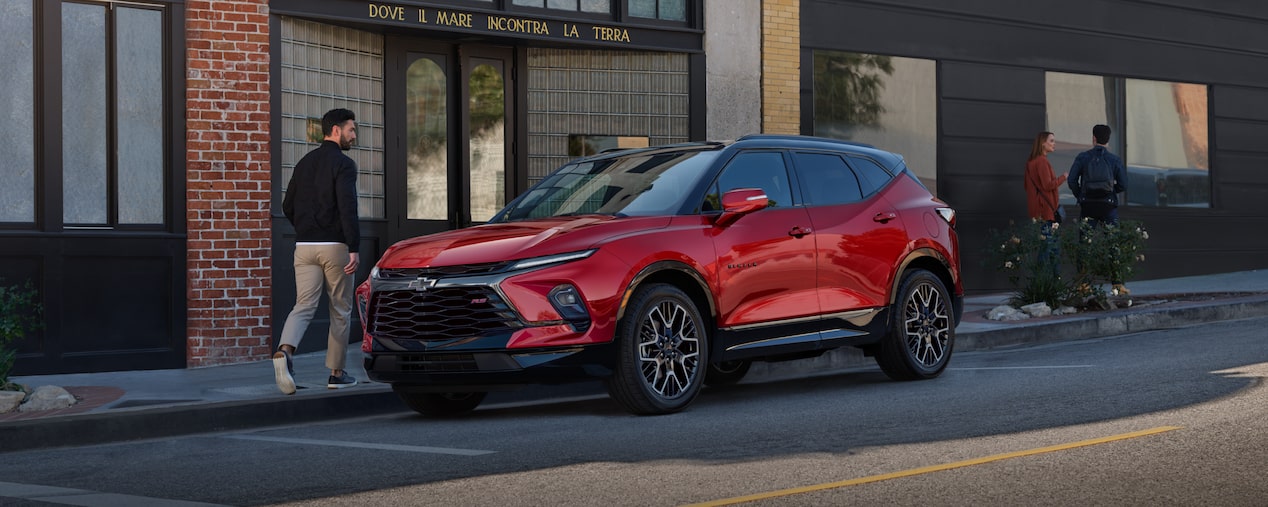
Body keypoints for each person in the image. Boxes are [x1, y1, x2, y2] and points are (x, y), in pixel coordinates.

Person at [274, 108, 361, 394]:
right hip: (334, 246)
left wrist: (305, 227)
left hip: (304, 246)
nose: (354, 135)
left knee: (303, 305)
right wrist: (354, 246)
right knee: (340, 308)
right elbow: (347, 206)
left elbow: (288, 205)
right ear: (335, 130)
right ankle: (336, 374)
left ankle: (285, 352)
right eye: (351, 129)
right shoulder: (344, 164)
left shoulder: (304, 162)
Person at [1067, 124, 1129, 295]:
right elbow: (1124, 184)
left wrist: (1082, 195)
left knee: (1085, 245)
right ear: (1108, 140)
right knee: (1113, 244)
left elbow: (1072, 180)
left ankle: (1083, 285)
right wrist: (1110, 192)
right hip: (1108, 206)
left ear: (1093, 138)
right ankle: (1117, 285)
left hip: (1088, 206)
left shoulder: (1083, 157)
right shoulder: (1114, 159)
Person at [1024, 131, 1067, 277]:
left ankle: (1052, 283)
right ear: (1043, 143)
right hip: (1046, 210)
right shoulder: (1042, 161)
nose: (1054, 144)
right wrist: (1063, 177)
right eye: (1052, 141)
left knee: (1050, 247)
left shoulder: (1031, 163)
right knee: (1049, 248)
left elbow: (1027, 186)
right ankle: (1047, 282)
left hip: (1039, 211)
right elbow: (1048, 185)